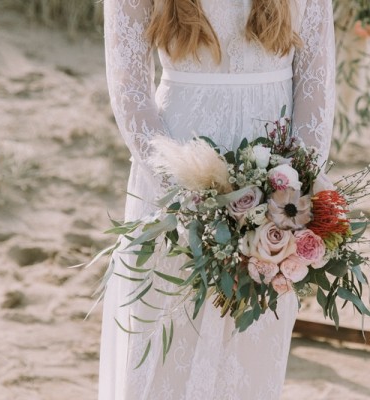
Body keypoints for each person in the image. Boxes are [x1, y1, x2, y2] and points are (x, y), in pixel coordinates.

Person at [99, 0, 335, 399]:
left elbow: (316, 87)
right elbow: (129, 90)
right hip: (175, 175)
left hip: (276, 179)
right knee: (168, 335)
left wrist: (290, 195)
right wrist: (182, 192)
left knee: (247, 346)